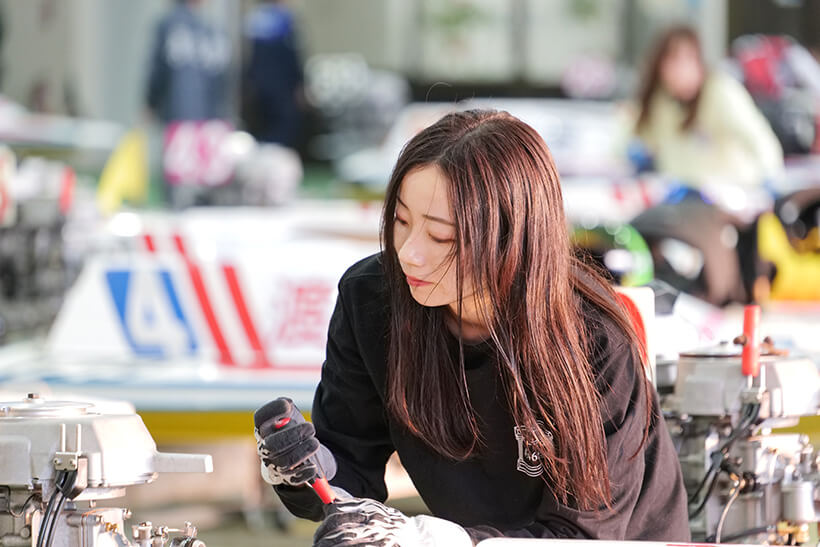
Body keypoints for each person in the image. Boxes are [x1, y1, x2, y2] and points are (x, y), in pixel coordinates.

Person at [255, 110, 690, 545]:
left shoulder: (592, 336)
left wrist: (435, 539)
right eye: (401, 221)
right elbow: (350, 473)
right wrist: (305, 469)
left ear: (510, 237)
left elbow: (582, 535)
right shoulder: (371, 299)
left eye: (440, 237)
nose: (409, 254)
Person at [632, 25, 784, 188]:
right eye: (673, 60)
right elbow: (641, 141)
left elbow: (761, 141)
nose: (681, 69)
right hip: (681, 193)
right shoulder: (660, 102)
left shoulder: (721, 92)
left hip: (731, 192)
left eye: (688, 58)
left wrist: (768, 181)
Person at [145, 0, 231, 124]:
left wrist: (150, 104)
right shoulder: (214, 29)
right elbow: (224, 82)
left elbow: (157, 73)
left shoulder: (169, 23)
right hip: (210, 120)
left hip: (177, 118)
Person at [241, 0, 305, 148]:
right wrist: (300, 83)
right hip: (281, 85)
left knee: (263, 126)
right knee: (283, 128)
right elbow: (293, 54)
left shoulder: (253, 18)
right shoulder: (284, 18)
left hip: (257, 83)